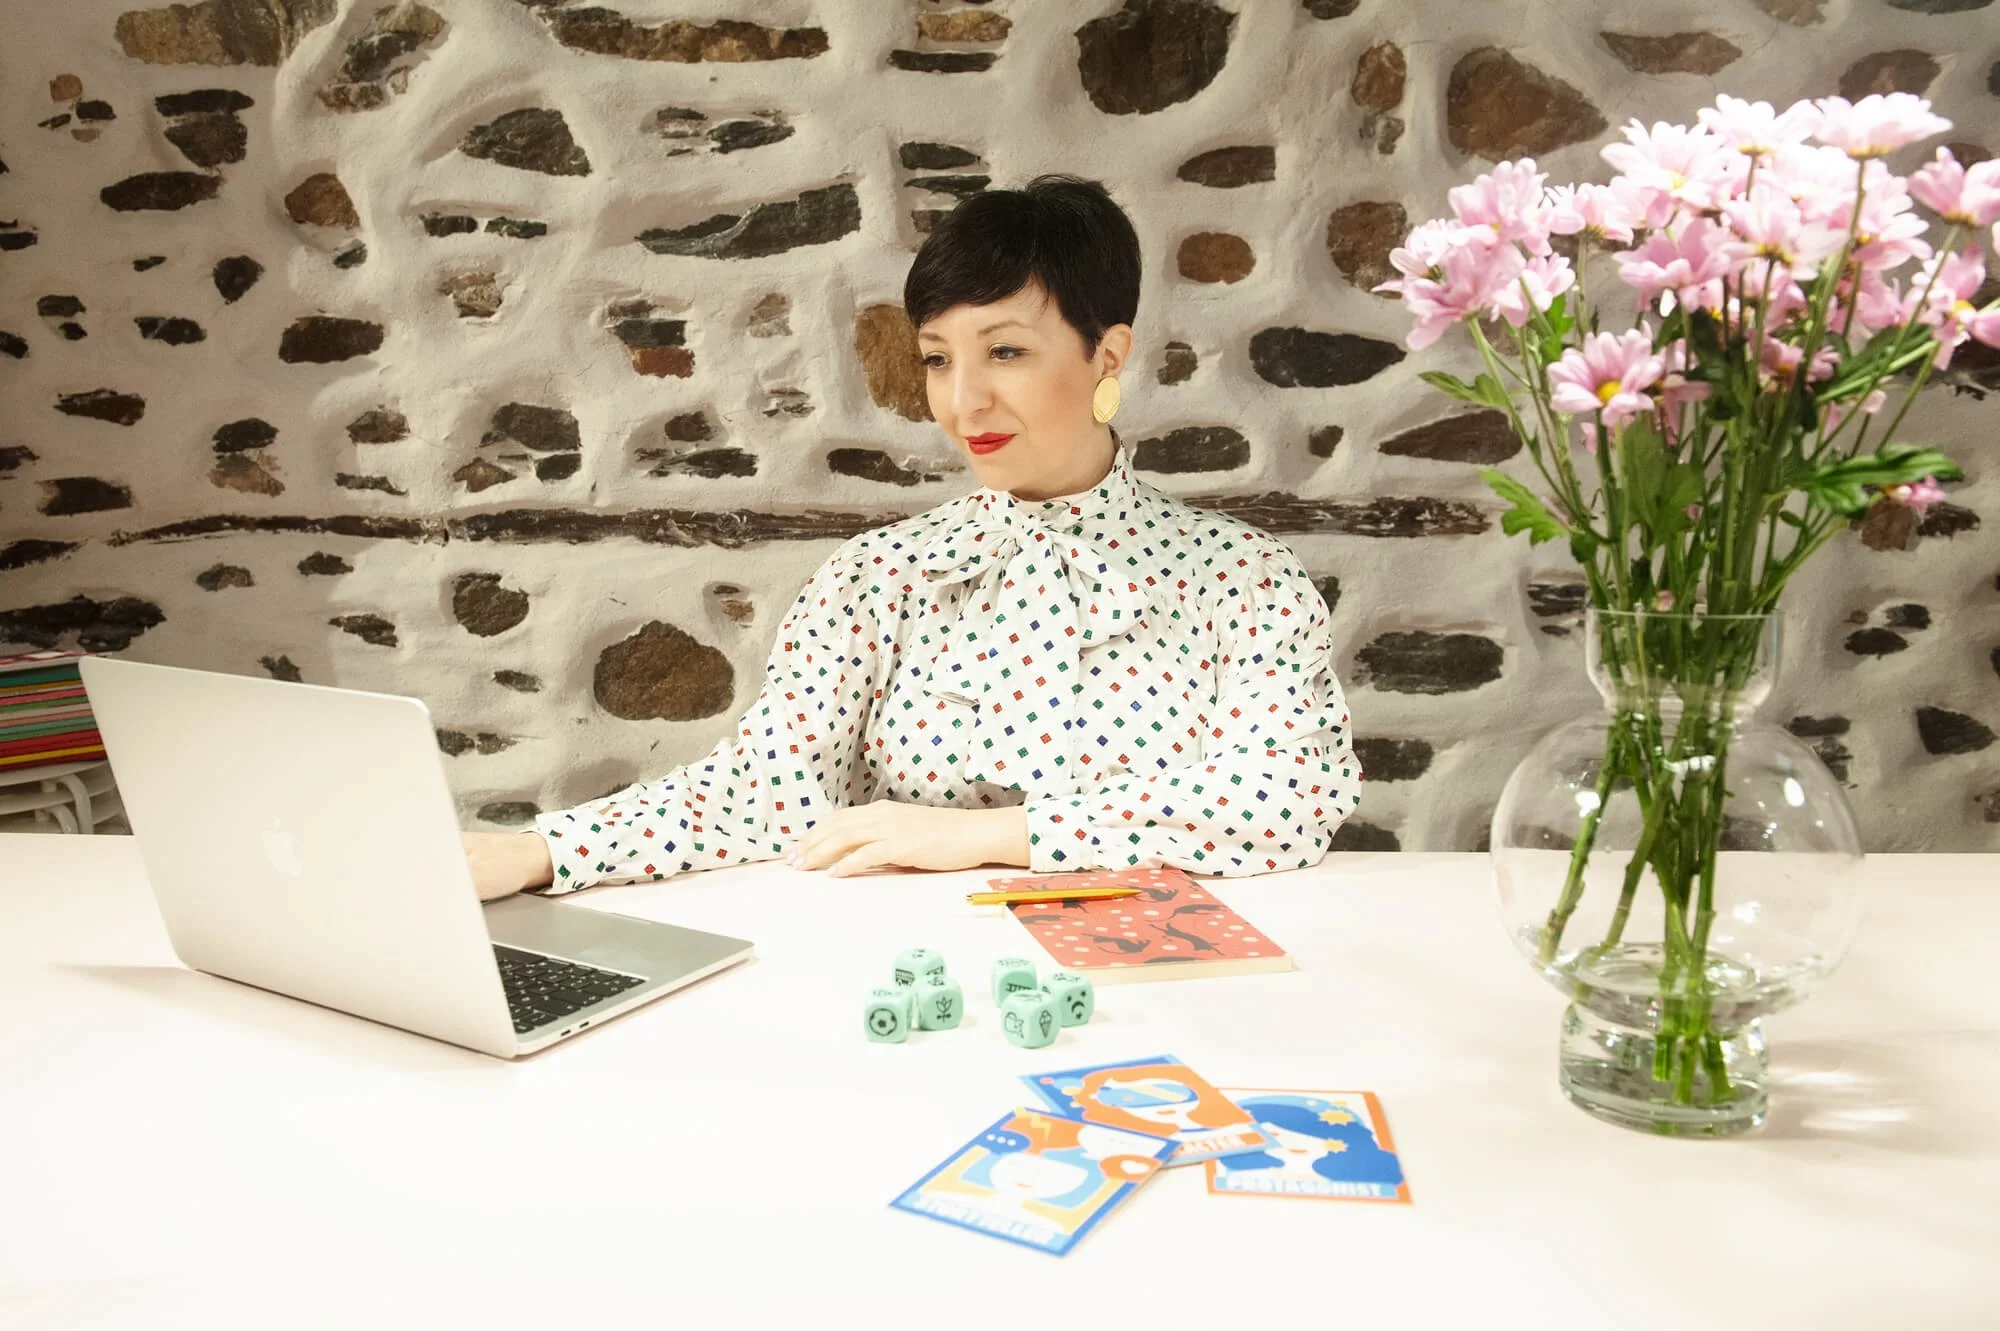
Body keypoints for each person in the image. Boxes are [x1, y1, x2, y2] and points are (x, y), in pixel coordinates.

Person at [463, 175, 1362, 900]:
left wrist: (983, 838)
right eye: (939, 358)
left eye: (1005, 351)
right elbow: (763, 788)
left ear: (1108, 355)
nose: (962, 401)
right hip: (910, 991)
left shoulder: (1240, 579)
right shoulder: (878, 576)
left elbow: (1282, 797)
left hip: (1172, 995)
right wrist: (541, 851)